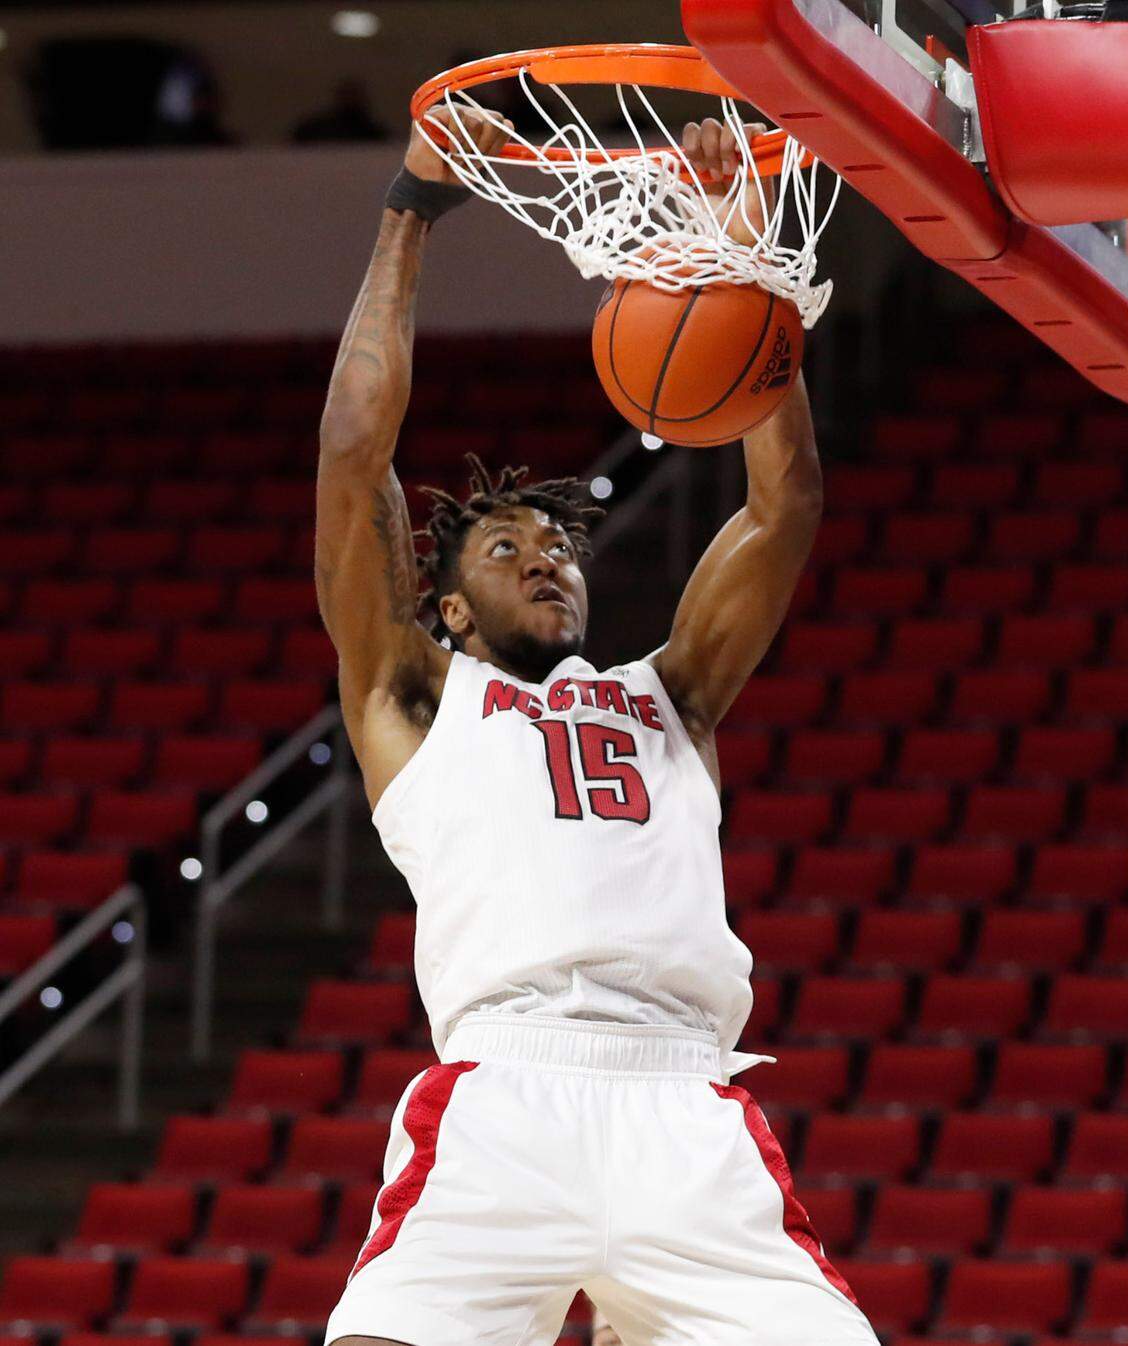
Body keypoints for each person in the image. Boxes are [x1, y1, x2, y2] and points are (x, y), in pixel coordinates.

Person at [316, 107, 878, 1346]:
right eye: (506, 547)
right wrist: (413, 208)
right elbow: (357, 457)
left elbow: (787, 506)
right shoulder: (413, 696)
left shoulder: (668, 692)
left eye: (561, 542)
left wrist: (736, 267)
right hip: (504, 1094)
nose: (547, 557)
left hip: (687, 1101)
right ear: (447, 603)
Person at [293, 79, 388, 144]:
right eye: (347, 95)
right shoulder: (313, 130)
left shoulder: (374, 133)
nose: (350, 100)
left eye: (353, 95)